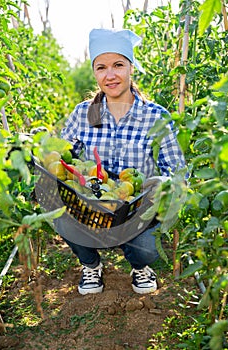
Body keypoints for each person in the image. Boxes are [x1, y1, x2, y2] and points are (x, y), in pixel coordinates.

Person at [61, 28, 186, 295]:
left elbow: (177, 171)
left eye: (118, 65)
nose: (110, 75)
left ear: (131, 68)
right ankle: (91, 264)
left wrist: (161, 185)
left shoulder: (154, 117)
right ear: (94, 73)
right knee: (60, 215)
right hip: (92, 211)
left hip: (136, 214)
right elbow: (63, 161)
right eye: (101, 67)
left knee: (146, 249)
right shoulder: (84, 114)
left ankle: (140, 265)